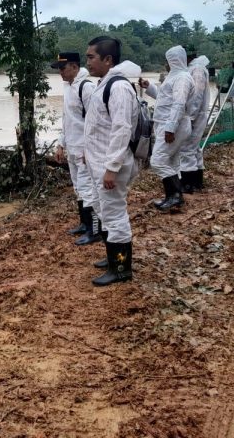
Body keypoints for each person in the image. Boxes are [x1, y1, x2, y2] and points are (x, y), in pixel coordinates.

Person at [84, 36, 141, 286]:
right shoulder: (104, 83)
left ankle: (120, 267)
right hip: (100, 163)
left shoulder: (117, 87)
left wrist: (111, 168)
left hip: (111, 166)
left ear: (108, 60)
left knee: (115, 215)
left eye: (91, 57)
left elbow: (122, 129)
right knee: (106, 211)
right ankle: (112, 258)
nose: (88, 62)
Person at [139, 46, 195, 212]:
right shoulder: (175, 77)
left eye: (167, 61)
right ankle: (173, 196)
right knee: (171, 160)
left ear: (174, 61)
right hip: (168, 123)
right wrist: (148, 87)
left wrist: (170, 128)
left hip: (173, 125)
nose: (165, 64)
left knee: (158, 160)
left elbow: (179, 104)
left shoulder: (182, 78)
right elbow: (165, 98)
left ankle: (176, 196)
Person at [51, 51, 99, 245]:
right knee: (78, 187)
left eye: (63, 68)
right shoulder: (68, 87)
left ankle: (93, 229)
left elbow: (94, 122)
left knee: (88, 189)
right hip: (72, 146)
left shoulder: (86, 88)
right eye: (59, 69)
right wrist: (60, 144)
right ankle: (83, 223)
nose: (60, 72)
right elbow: (67, 119)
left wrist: (90, 149)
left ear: (74, 67)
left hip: (85, 148)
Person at [180, 51, 210, 192]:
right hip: (197, 115)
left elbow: (196, 95)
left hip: (195, 115)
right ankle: (197, 181)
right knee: (194, 147)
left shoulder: (196, 69)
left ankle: (188, 183)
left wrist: (190, 117)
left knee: (187, 148)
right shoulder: (195, 68)